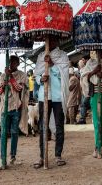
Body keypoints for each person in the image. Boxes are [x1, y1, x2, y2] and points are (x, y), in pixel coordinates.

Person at [33, 38, 69, 168]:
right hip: (44, 96)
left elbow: (64, 75)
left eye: (52, 40)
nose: (50, 43)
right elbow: (36, 74)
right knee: (43, 126)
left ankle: (58, 155)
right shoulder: (41, 56)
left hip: (58, 96)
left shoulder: (63, 56)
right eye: (47, 40)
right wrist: (40, 79)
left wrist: (53, 65)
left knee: (59, 126)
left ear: (57, 42)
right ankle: (42, 157)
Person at [0, 55, 28, 170]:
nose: (11, 64)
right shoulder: (2, 76)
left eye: (14, 62)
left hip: (16, 108)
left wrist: (11, 77)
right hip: (5, 109)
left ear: (18, 64)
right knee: (3, 133)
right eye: (10, 62)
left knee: (14, 133)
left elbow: (19, 89)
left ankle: (12, 157)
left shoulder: (22, 75)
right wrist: (4, 83)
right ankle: (2, 158)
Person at [78, 54, 91, 124]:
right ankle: (82, 118)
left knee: (84, 104)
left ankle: (82, 119)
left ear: (87, 60)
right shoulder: (84, 69)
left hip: (88, 90)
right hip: (84, 90)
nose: (82, 62)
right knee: (84, 104)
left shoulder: (89, 68)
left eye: (83, 60)